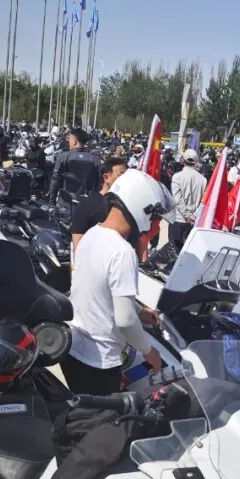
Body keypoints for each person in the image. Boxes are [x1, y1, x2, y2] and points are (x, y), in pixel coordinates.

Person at [64, 169, 174, 395]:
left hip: (75, 348)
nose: (155, 227)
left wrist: (139, 311)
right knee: (104, 416)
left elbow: (98, 291)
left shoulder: (92, 234)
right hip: (99, 360)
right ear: (143, 210)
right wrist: (149, 351)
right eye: (156, 219)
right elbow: (125, 321)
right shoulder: (122, 251)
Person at [71, 157, 128, 258]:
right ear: (106, 177)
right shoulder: (86, 205)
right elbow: (78, 245)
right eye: (121, 175)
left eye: (127, 176)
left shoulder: (128, 206)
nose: (125, 180)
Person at [49, 128, 102, 203]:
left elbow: (55, 180)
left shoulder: (63, 156)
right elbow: (99, 183)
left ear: (74, 142)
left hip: (66, 201)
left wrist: (52, 201)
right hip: (86, 202)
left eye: (70, 139)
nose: (68, 142)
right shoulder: (95, 159)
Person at [168, 149, 207, 248]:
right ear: (196, 161)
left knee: (173, 251)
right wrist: (192, 216)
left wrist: (187, 215)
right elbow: (203, 201)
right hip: (193, 222)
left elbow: (177, 200)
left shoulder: (177, 177)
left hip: (178, 219)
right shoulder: (203, 180)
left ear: (183, 160)